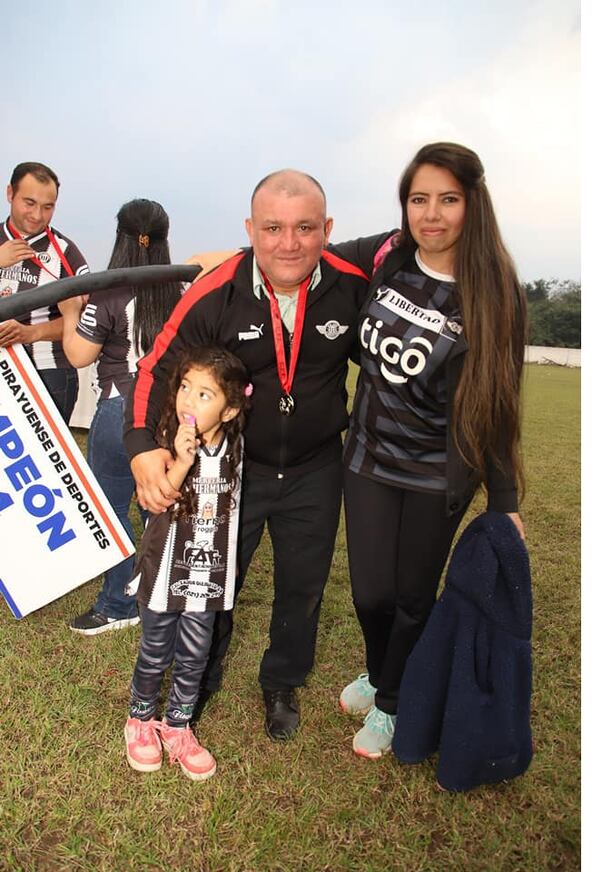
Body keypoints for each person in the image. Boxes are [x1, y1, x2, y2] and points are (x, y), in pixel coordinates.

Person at [124, 170, 371, 741]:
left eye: (306, 228)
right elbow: (156, 369)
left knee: (303, 586)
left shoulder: (352, 284)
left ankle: (282, 682)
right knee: (215, 580)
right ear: (250, 231)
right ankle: (200, 676)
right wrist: (142, 450)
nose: (289, 243)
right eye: (273, 228)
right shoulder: (217, 291)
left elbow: (410, 242)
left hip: (315, 465)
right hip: (234, 471)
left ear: (327, 229)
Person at [329, 142, 528, 759]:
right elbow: (306, 253)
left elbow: (497, 404)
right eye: (420, 199)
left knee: (412, 596)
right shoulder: (389, 258)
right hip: (366, 456)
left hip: (435, 470)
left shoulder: (495, 294)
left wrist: (505, 499)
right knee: (369, 593)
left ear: (473, 205)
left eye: (448, 199)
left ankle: (392, 701)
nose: (432, 214)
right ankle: (382, 668)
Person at [123, 346, 250, 780]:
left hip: (209, 572)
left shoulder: (237, 442)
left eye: (204, 394)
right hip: (164, 570)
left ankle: (177, 726)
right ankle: (140, 721)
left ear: (230, 410)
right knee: (156, 649)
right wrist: (181, 460)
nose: (187, 400)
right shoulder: (165, 438)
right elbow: (158, 500)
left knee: (195, 654)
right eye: (184, 387)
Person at [58, 199, 183, 634]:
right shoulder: (180, 290)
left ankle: (116, 604)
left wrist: (70, 309)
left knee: (110, 510)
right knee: (160, 508)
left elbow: (78, 355)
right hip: (168, 414)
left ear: (122, 237)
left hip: (118, 411)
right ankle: (160, 600)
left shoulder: (108, 291)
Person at [0, 161, 89, 422]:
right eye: (29, 202)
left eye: (47, 207)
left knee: (43, 463)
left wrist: (32, 333)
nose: (37, 215)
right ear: (9, 194)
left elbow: (88, 319)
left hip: (49, 373)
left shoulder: (67, 252)